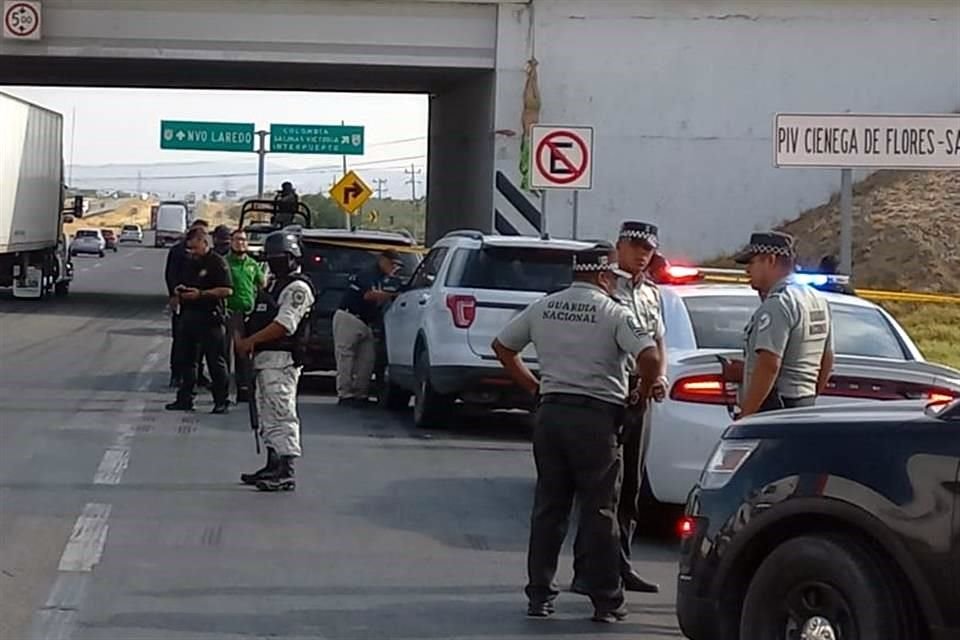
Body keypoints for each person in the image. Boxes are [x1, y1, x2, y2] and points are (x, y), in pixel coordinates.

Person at [492, 244, 661, 624]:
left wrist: (535, 387)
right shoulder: (614, 313)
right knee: (600, 511)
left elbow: (503, 347)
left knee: (549, 508)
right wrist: (642, 392)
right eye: (613, 278)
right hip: (596, 420)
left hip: (551, 414)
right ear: (603, 276)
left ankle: (539, 595)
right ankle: (606, 600)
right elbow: (649, 356)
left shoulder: (544, 306)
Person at [571, 221, 665, 596]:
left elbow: (658, 339)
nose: (643, 254)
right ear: (620, 245)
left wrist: (659, 377)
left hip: (639, 393)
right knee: (598, 486)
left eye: (648, 248)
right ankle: (586, 568)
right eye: (635, 246)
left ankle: (621, 563)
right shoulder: (604, 286)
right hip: (607, 392)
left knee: (631, 487)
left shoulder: (652, 293)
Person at [721, 231, 835, 418]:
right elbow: (827, 360)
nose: (747, 270)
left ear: (771, 260)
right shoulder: (817, 299)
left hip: (774, 408)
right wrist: (809, 398)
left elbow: (769, 364)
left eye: (752, 262)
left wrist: (747, 415)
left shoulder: (778, 303)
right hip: (804, 405)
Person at [235, 230, 316, 492]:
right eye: (271, 258)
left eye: (280, 257)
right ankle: (272, 463)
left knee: (282, 413)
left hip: (282, 360)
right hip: (264, 359)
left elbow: (283, 325)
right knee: (267, 413)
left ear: (293, 258)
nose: (274, 262)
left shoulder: (297, 288)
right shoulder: (273, 283)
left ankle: (286, 470)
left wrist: (251, 341)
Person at [165, 226, 233, 414]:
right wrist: (179, 291)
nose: (191, 252)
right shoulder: (189, 262)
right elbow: (180, 280)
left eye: (194, 248)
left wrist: (201, 294)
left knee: (215, 362)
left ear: (204, 243)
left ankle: (221, 400)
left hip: (210, 318)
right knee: (188, 361)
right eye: (189, 249)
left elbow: (227, 290)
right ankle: (185, 398)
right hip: (189, 317)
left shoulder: (216, 262)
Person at [333, 250, 401, 407]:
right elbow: (369, 295)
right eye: (393, 264)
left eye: (397, 267)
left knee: (367, 360)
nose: (394, 269)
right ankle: (345, 394)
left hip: (366, 322)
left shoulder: (384, 279)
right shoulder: (368, 273)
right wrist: (392, 295)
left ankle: (360, 394)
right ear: (382, 260)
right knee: (346, 357)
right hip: (349, 317)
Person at [164, 218, 210, 388]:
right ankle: (176, 373)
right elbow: (171, 275)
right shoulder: (178, 251)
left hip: (202, 303)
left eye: (204, 234)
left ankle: (198, 374)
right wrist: (174, 296)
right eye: (197, 233)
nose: (201, 237)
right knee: (180, 339)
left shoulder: (209, 255)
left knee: (201, 342)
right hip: (183, 301)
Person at [225, 229, 267, 403]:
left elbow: (262, 283)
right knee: (226, 352)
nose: (240, 243)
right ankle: (224, 390)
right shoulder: (225, 263)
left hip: (248, 313)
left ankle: (244, 389)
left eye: (243, 240)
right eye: (237, 240)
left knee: (244, 353)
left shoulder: (252, 264)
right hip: (230, 312)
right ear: (231, 242)